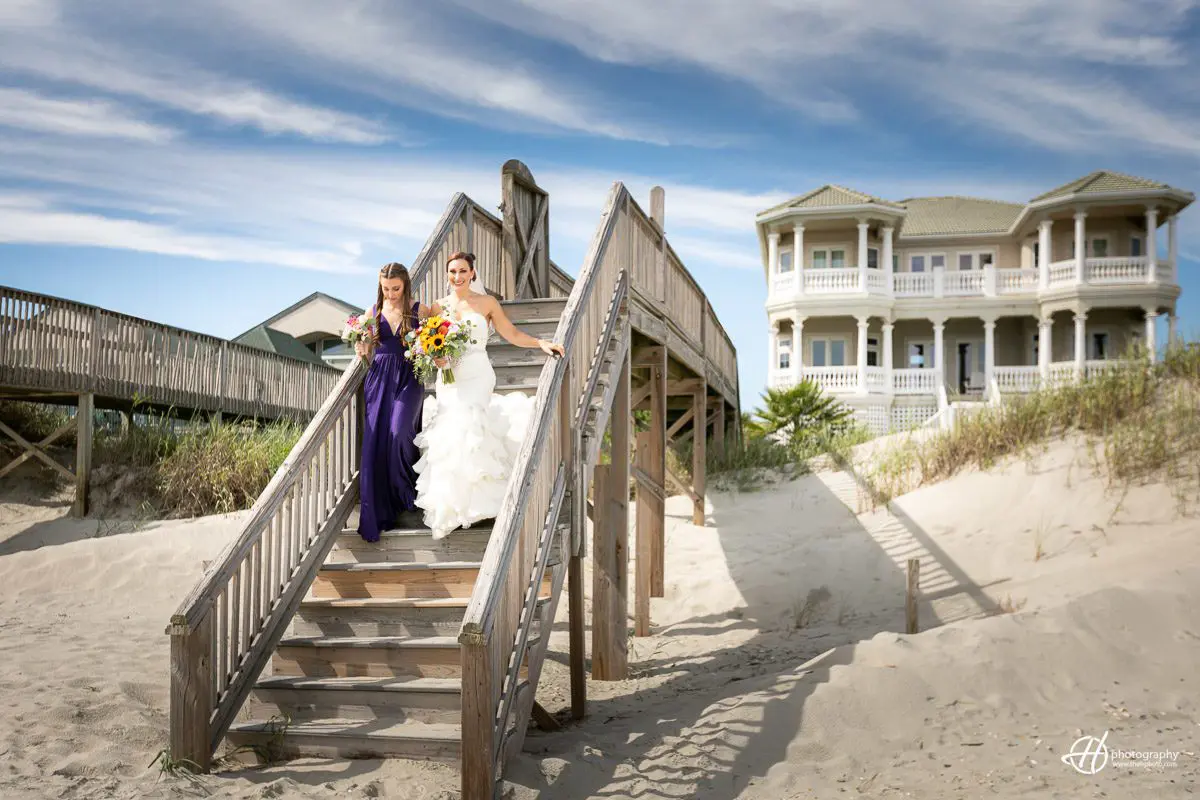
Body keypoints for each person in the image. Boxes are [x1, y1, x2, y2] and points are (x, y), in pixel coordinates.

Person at [414, 251, 565, 539]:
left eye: (462, 271)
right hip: (449, 377)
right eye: (452, 272)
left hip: (477, 374)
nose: (456, 277)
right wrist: (436, 358)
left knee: (473, 426)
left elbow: (511, 333)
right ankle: (455, 505)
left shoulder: (486, 303)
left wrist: (540, 342)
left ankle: (484, 504)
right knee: (450, 431)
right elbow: (424, 341)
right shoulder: (437, 307)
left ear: (472, 273)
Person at [354, 262, 434, 542]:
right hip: (379, 378)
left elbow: (432, 342)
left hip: (410, 376)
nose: (390, 293)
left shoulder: (419, 310)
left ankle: (406, 493)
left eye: (395, 288)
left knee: (401, 432)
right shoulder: (372, 312)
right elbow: (365, 351)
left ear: (405, 285)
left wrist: (428, 349)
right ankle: (385, 504)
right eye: (385, 288)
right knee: (379, 439)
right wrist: (362, 348)